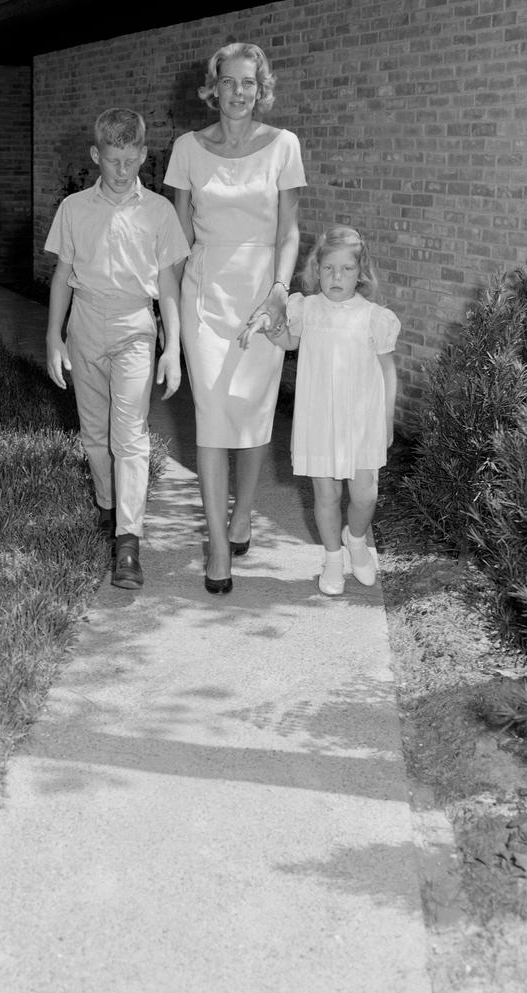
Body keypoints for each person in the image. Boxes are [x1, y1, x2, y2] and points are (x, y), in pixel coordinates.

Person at [163, 42, 305, 594]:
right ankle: (218, 544)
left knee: (252, 411)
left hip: (262, 296)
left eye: (249, 82)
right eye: (229, 81)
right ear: (213, 87)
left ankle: (243, 513)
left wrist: (279, 293)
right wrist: (169, 317)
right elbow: (177, 238)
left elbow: (288, 231)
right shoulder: (187, 148)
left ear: (260, 89)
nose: (239, 92)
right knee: (212, 414)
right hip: (204, 293)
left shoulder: (284, 146)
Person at [45, 107, 189, 590]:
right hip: (85, 322)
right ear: (96, 155)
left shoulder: (159, 212)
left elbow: (168, 284)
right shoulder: (74, 208)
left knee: (129, 435)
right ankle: (108, 506)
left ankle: (128, 542)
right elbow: (63, 275)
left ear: (144, 155)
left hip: (134, 325)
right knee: (94, 433)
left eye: (131, 160)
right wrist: (54, 336)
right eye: (113, 160)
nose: (122, 170)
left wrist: (172, 347)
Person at [246, 225, 399, 596]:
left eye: (346, 269)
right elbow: (289, 340)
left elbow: (387, 370)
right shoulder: (307, 308)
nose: (337, 277)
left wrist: (387, 418)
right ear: (317, 269)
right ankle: (332, 558)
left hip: (361, 421)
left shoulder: (374, 317)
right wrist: (273, 330)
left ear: (360, 272)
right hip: (319, 418)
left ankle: (355, 539)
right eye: (329, 268)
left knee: (365, 495)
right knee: (326, 495)